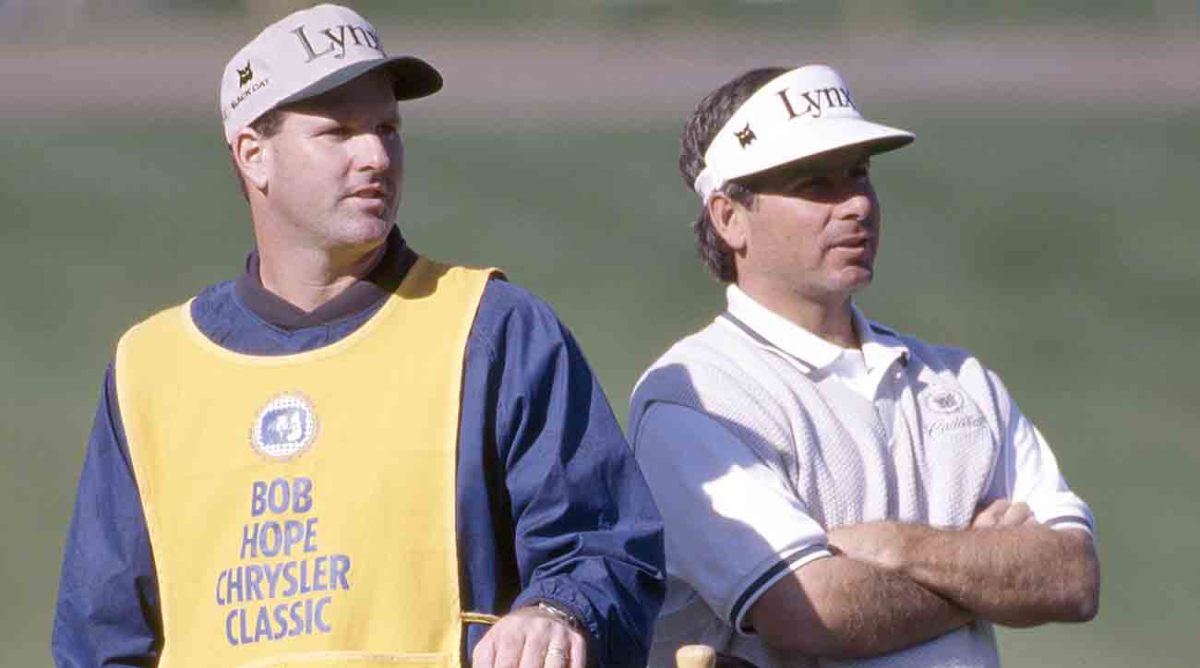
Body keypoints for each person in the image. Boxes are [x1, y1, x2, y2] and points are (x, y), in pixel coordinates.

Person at [51, 5, 664, 667]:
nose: (374, 156)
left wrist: (556, 612)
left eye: (387, 129)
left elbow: (605, 549)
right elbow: (102, 636)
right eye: (337, 132)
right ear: (254, 156)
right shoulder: (152, 367)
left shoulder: (493, 330)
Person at [628, 65, 1099, 667]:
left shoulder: (959, 379)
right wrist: (986, 571)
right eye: (813, 184)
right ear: (728, 217)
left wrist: (896, 547)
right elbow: (809, 612)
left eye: (859, 174)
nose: (855, 204)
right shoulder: (697, 399)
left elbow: (1073, 575)